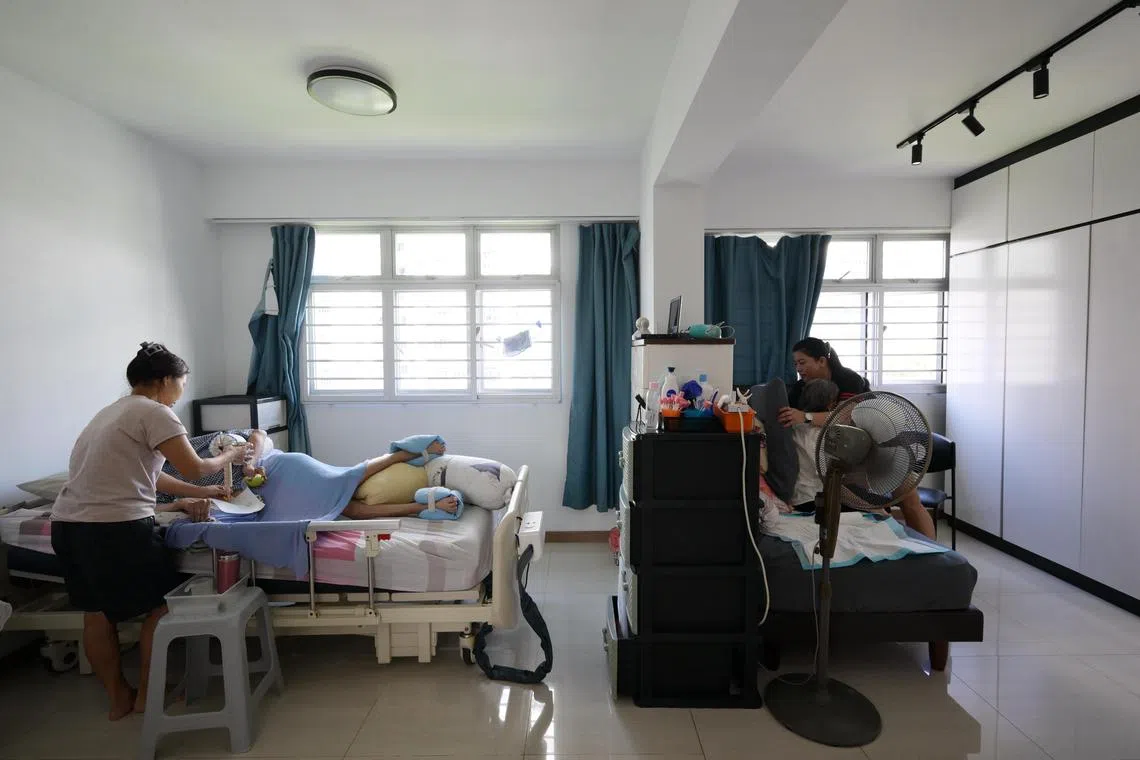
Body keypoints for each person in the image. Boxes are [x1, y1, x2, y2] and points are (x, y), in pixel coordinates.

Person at [50, 343, 250, 721]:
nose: (182, 393)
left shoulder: (110, 413)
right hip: (115, 528)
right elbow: (194, 466)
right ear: (164, 381)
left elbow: (151, 476)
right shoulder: (156, 413)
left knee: (96, 614)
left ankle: (118, 699)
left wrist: (204, 493)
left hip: (68, 526)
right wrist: (229, 457)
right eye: (182, 383)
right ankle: (148, 694)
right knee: (160, 607)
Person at [776, 337, 937, 540]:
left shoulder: (848, 380)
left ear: (821, 361)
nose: (798, 369)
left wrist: (806, 417)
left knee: (909, 501)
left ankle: (935, 551)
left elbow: (845, 417)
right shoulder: (801, 387)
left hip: (884, 443)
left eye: (802, 362)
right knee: (874, 510)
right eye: (795, 364)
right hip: (853, 452)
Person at [158, 433, 458, 519]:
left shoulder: (189, 444)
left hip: (278, 471)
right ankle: (423, 508)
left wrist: (252, 461)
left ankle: (403, 454)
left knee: (345, 479)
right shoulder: (149, 484)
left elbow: (258, 434)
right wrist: (182, 503)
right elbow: (153, 511)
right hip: (253, 504)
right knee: (349, 510)